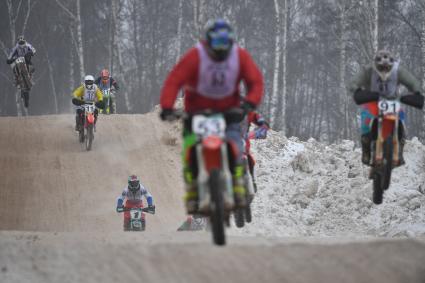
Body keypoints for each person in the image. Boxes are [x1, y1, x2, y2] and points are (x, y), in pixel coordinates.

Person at [159, 19, 264, 214]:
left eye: (225, 42)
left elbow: (255, 80)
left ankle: (239, 182)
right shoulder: (195, 56)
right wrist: (167, 106)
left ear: (231, 41)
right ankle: (192, 190)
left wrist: (250, 102)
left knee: (236, 146)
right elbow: (174, 80)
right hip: (198, 112)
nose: (221, 48)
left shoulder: (239, 56)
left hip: (229, 112)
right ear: (207, 41)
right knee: (190, 149)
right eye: (217, 42)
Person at [348, 50, 423, 165]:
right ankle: (366, 150)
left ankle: (400, 148)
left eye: (387, 67)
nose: (384, 70)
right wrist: (357, 90)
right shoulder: (368, 71)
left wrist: (416, 91)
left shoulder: (398, 71)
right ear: (376, 65)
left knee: (401, 118)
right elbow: (354, 82)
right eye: (381, 67)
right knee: (365, 120)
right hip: (372, 100)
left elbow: (412, 82)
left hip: (392, 101)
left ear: (391, 65)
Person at [244, 111, 269, 192]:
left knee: (249, 160)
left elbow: (256, 117)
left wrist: (263, 125)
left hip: (241, 146)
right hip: (217, 141)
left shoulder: (244, 110)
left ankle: (251, 181)